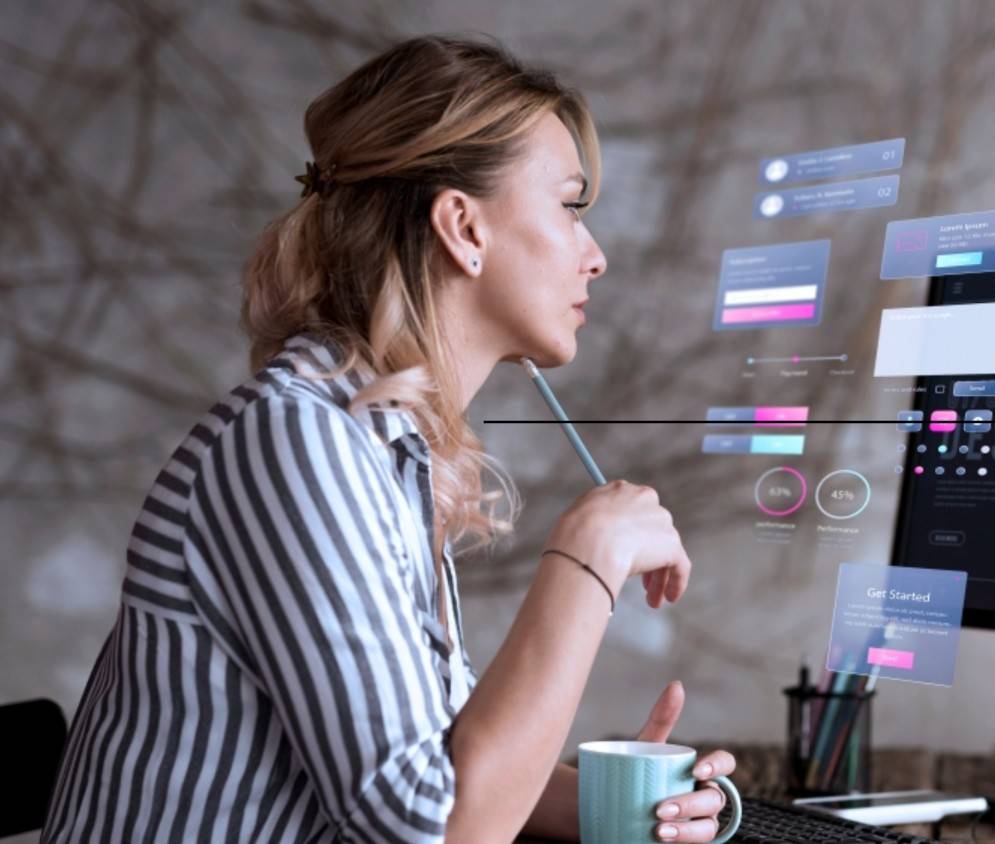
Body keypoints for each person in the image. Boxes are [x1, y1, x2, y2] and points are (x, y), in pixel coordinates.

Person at [45, 34, 735, 843]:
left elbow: (435, 762)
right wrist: (585, 560)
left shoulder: (382, 449)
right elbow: (432, 828)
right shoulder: (297, 442)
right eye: (570, 207)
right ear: (462, 228)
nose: (596, 256)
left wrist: (630, 804)